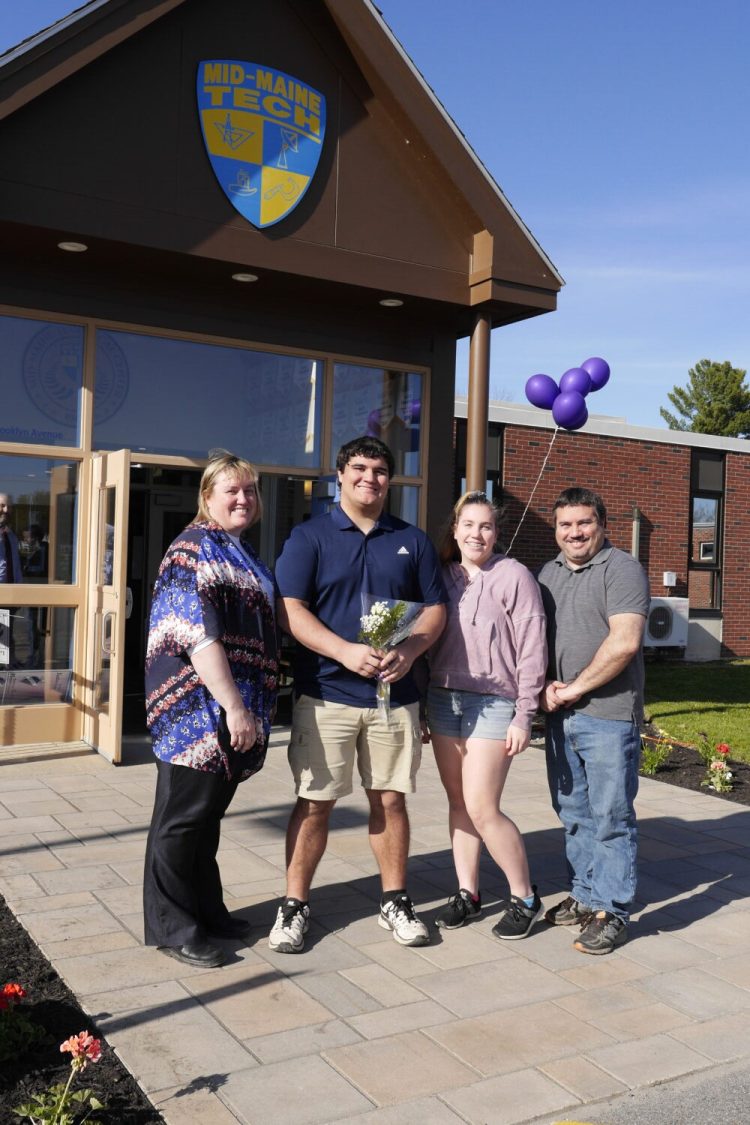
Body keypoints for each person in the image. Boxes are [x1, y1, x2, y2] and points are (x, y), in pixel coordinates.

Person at [269, 435, 446, 953]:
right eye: (361, 469)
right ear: (340, 475)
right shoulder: (310, 537)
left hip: (394, 697)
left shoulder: (410, 540)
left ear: (390, 480)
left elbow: (435, 610)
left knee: (390, 800)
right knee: (315, 802)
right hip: (326, 694)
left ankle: (395, 900)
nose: (370, 478)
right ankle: (294, 905)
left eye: (381, 471)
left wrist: (411, 651)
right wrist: (345, 651)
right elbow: (290, 610)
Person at [143, 452, 279, 969]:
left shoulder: (236, 548)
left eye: (250, 490)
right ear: (207, 497)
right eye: (231, 490)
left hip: (229, 711)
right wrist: (236, 708)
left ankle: (207, 910)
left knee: (205, 820)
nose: (243, 499)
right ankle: (174, 927)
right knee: (181, 822)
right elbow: (196, 635)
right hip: (197, 713)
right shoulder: (192, 548)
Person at [426, 491, 548, 939]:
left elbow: (533, 649)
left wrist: (524, 715)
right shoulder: (441, 576)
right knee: (458, 802)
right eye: (469, 525)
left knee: (482, 805)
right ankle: (468, 893)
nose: (477, 533)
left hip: (494, 702)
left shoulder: (514, 576)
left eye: (487, 526)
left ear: (496, 533)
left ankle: (524, 896)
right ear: (454, 530)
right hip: (443, 699)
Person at [537, 486, 649, 955]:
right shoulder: (548, 572)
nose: (575, 532)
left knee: (611, 816)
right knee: (574, 813)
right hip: (560, 715)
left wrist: (575, 688)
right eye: (566, 524)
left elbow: (624, 642)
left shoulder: (622, 569)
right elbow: (534, 638)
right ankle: (585, 895)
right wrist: (544, 683)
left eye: (584, 523)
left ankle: (613, 910)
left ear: (602, 524)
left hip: (607, 716)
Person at [0, 494, 22, 584]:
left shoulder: (11, 536)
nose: (6, 510)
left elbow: (16, 567)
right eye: (2, 505)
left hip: (12, 592)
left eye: (9, 507)